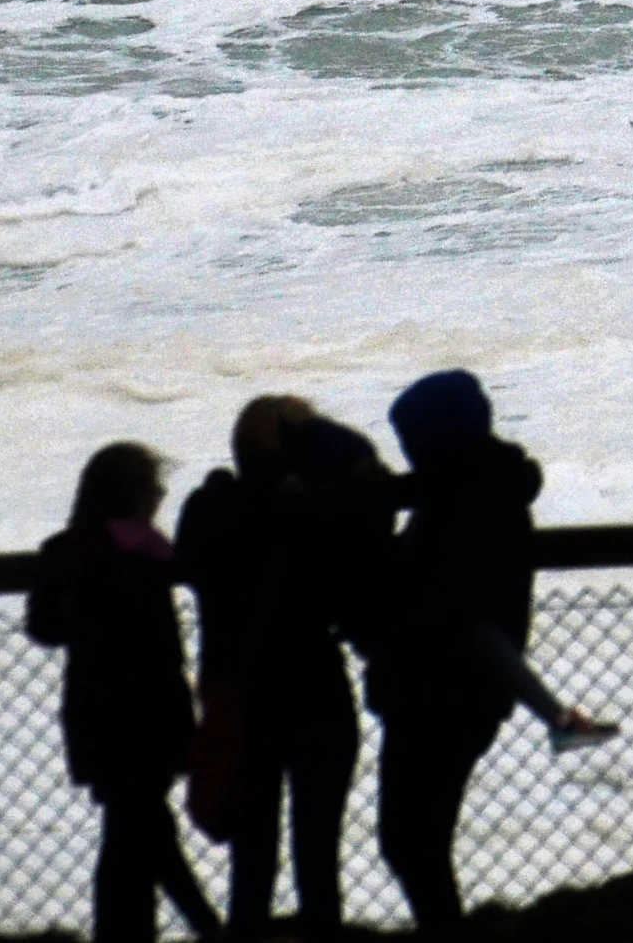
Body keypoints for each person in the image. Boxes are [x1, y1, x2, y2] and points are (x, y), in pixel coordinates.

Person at [366, 371, 615, 929]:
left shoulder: (464, 506)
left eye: (411, 440)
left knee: (411, 843)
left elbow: (455, 615)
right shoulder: (480, 492)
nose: (407, 453)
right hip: (459, 694)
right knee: (417, 842)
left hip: (441, 694)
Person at [175, 395, 389, 936]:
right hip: (316, 693)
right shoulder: (321, 513)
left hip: (245, 699)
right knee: (317, 857)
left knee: (252, 864)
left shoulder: (209, 512)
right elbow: (375, 518)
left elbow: (194, 553)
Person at [28, 440, 223, 943]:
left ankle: (140, 932)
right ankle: (210, 928)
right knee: (143, 832)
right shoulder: (153, 552)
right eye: (154, 486)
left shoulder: (67, 550)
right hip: (155, 712)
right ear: (136, 494)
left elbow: (45, 628)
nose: (160, 495)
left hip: (98, 714)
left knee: (130, 834)